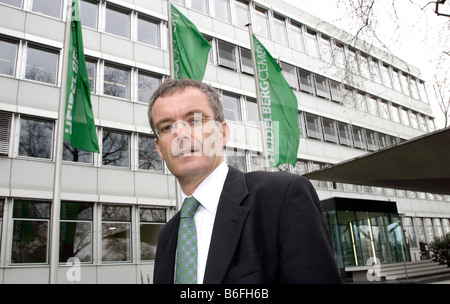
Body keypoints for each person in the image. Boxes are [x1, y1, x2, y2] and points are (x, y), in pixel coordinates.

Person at [149, 78, 341, 284]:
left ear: (222, 134)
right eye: (167, 127)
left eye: (195, 120)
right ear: (159, 147)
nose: (181, 134)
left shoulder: (281, 197)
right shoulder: (167, 237)